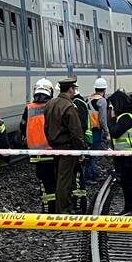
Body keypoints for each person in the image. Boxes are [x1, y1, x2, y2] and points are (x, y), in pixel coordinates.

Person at [44, 77, 86, 214]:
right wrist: (80, 150)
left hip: (55, 147)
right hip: (68, 148)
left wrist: (51, 142)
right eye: (74, 88)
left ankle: (62, 207)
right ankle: (63, 210)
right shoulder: (69, 106)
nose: (74, 91)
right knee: (65, 180)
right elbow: (76, 132)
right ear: (70, 89)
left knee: (59, 177)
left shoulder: (50, 104)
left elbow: (46, 127)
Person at [20, 78, 55, 212]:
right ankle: (54, 208)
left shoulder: (29, 108)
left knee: (44, 184)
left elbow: (22, 127)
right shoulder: (52, 106)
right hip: (53, 151)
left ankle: (47, 209)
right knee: (54, 181)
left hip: (37, 154)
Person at [85, 78, 110, 182]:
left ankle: (89, 174)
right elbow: (102, 119)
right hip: (96, 130)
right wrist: (107, 132)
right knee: (94, 153)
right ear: (104, 89)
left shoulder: (89, 99)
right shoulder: (102, 101)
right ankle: (91, 175)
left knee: (89, 153)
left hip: (88, 130)